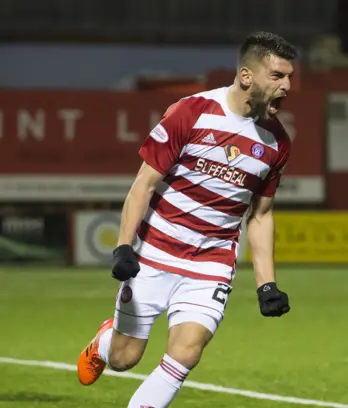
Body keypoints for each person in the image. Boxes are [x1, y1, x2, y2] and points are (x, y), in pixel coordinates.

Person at [76, 31, 297, 406]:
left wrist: (267, 284)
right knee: (124, 359)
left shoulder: (277, 143)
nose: (287, 86)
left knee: (187, 352)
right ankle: (105, 341)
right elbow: (143, 184)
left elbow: (260, 216)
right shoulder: (191, 112)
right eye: (277, 76)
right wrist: (123, 247)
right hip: (154, 252)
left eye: (289, 77)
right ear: (247, 76)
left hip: (211, 262)